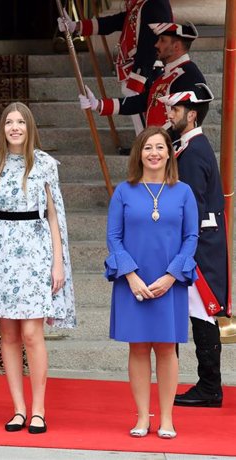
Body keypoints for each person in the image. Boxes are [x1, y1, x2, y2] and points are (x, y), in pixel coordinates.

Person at [0, 102, 75, 435]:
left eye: (20, 122)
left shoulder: (45, 164)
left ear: (30, 127)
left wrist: (58, 262)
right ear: (2, 129)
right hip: (1, 254)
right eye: (9, 122)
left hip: (35, 254)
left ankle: (39, 409)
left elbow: (55, 216)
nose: (15, 127)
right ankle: (18, 408)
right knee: (8, 335)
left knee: (32, 334)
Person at [105, 126, 198, 439]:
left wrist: (172, 275)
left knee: (167, 348)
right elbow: (114, 238)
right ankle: (143, 417)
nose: (154, 153)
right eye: (148, 148)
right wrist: (130, 275)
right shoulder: (124, 191)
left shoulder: (183, 191)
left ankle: (167, 419)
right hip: (133, 281)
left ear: (170, 153)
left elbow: (191, 237)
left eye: (160, 147)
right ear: (139, 153)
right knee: (139, 348)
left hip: (169, 280)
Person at [161, 84, 230, 407]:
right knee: (199, 313)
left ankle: (209, 386)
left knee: (201, 312)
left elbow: (188, 208)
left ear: (191, 115)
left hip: (196, 248)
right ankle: (208, 385)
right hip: (201, 244)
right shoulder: (193, 147)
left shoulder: (192, 152)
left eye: (174, 110)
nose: (169, 114)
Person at [58, 0, 173, 134]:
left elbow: (151, 45)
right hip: (138, 73)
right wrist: (77, 26)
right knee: (142, 129)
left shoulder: (155, 4)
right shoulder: (141, 4)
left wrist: (137, 80)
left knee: (149, 130)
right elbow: (119, 21)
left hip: (147, 74)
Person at [79, 22, 205, 131]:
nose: (156, 45)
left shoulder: (189, 75)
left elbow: (191, 119)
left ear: (176, 46)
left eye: (162, 40)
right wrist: (99, 104)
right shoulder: (167, 74)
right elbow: (143, 102)